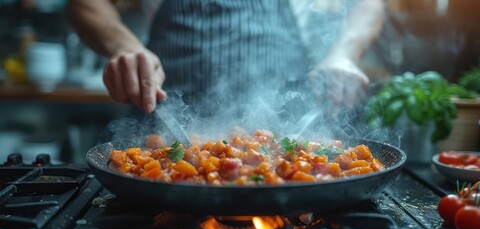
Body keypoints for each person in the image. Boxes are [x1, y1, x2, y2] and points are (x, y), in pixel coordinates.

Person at [67, 0, 384, 115]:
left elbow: (369, 4)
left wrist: (343, 54)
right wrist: (124, 45)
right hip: (165, 129)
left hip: (285, 132)